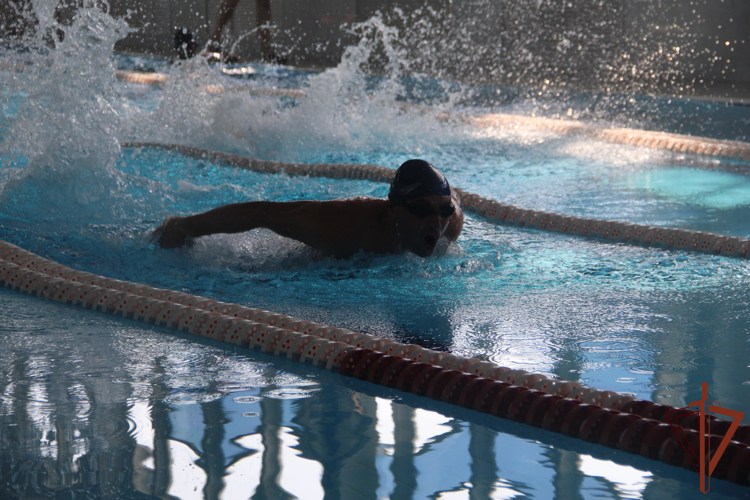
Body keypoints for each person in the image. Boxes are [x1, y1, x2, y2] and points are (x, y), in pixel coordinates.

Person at [153, 159, 464, 259]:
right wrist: (184, 227)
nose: (435, 221)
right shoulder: (343, 226)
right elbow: (262, 213)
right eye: (422, 210)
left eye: (443, 210)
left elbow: (453, 200)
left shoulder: (450, 224)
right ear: (395, 210)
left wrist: (446, 206)